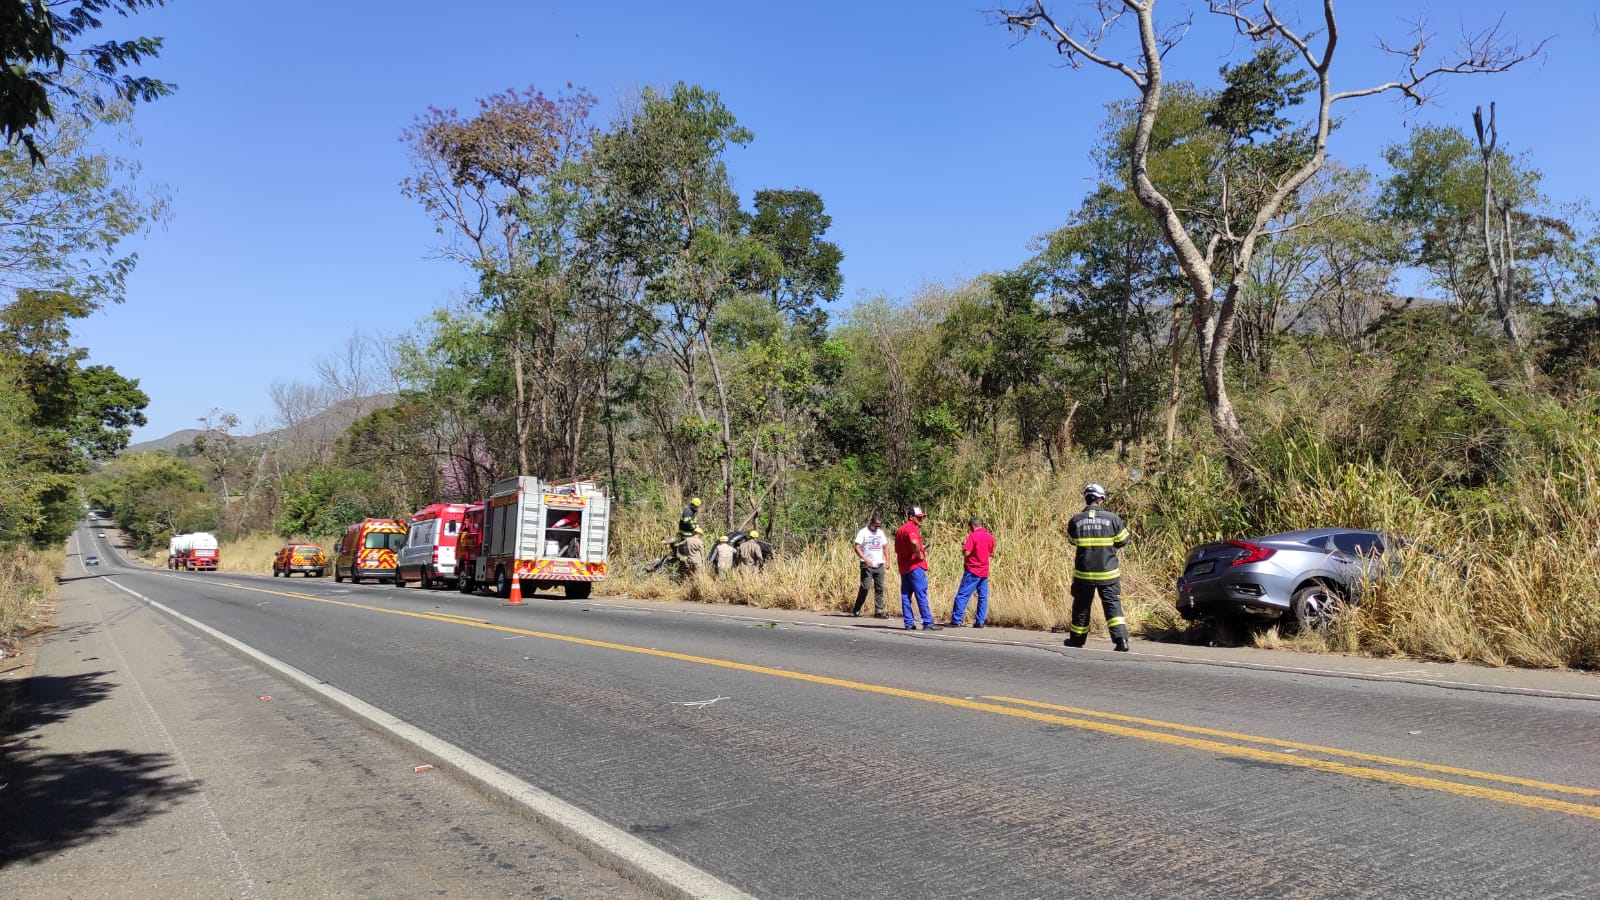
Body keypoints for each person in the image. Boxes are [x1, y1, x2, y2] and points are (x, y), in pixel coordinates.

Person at [1065, 483, 1131, 651]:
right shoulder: (1113, 519)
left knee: (1081, 606)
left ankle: (1077, 640)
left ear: (1086, 498)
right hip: (1108, 573)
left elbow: (1072, 540)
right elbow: (1123, 540)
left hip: (1084, 574)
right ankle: (1121, 641)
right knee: (1112, 605)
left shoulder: (1076, 520)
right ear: (1101, 500)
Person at [894, 507, 941, 631]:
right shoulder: (911, 528)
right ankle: (927, 622)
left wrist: (921, 549)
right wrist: (919, 555)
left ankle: (908, 623)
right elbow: (913, 542)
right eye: (918, 517)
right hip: (915, 567)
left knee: (906, 595)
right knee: (921, 594)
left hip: (904, 567)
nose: (920, 519)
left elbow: (898, 549)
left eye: (921, 517)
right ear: (911, 517)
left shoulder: (900, 530)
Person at [948, 517, 995, 627]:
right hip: (984, 571)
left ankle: (956, 620)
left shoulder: (973, 536)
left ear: (973, 526)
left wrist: (963, 547)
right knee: (983, 596)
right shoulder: (990, 537)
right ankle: (980, 621)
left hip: (972, 570)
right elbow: (991, 553)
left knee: (962, 595)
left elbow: (967, 553)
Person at [851, 515, 889, 618]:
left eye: (879, 526)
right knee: (865, 587)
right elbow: (857, 547)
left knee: (879, 587)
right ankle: (857, 608)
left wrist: (887, 560)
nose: (877, 528)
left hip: (879, 564)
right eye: (875, 525)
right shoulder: (863, 532)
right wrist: (865, 558)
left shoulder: (880, 533)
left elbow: (885, 547)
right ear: (871, 523)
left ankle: (879, 610)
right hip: (867, 564)